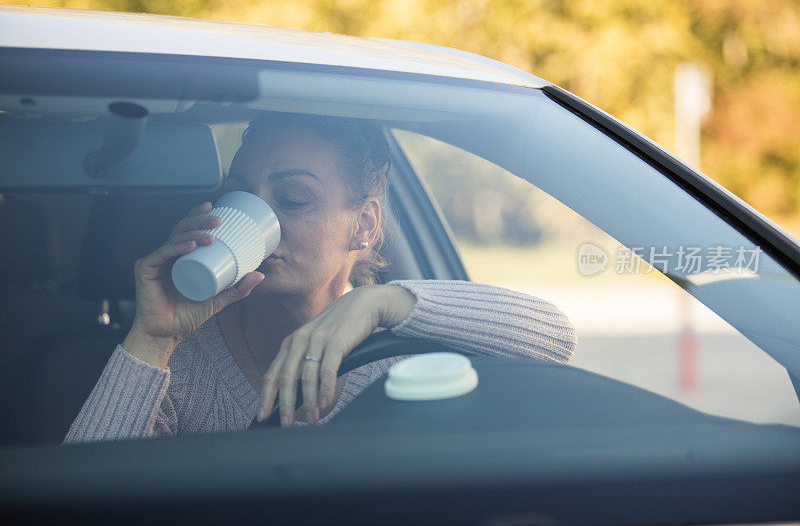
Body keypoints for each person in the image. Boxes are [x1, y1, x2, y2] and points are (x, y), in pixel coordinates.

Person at [65, 112, 577, 443]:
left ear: (364, 225)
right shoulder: (186, 361)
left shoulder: (401, 346)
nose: (259, 217)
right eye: (239, 194)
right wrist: (152, 340)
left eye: (292, 200)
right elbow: (80, 504)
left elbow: (556, 336)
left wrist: (377, 304)